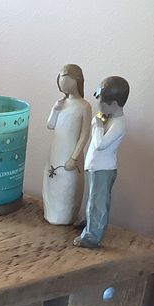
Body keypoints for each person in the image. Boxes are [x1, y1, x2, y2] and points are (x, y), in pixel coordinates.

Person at [74, 76, 129, 248]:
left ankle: (92, 236)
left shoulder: (118, 125)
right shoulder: (109, 117)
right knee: (92, 199)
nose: (99, 108)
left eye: (102, 104)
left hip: (103, 169)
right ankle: (90, 223)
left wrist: (96, 125)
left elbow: (100, 144)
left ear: (113, 104)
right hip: (95, 167)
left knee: (98, 203)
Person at [42, 64, 91, 225]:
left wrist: (74, 157)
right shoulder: (60, 103)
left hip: (70, 154)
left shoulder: (84, 106)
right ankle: (51, 214)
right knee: (53, 184)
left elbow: (84, 135)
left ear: (76, 80)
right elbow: (50, 125)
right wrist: (55, 110)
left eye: (66, 78)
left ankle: (67, 216)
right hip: (55, 152)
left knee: (67, 185)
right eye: (61, 78)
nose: (62, 82)